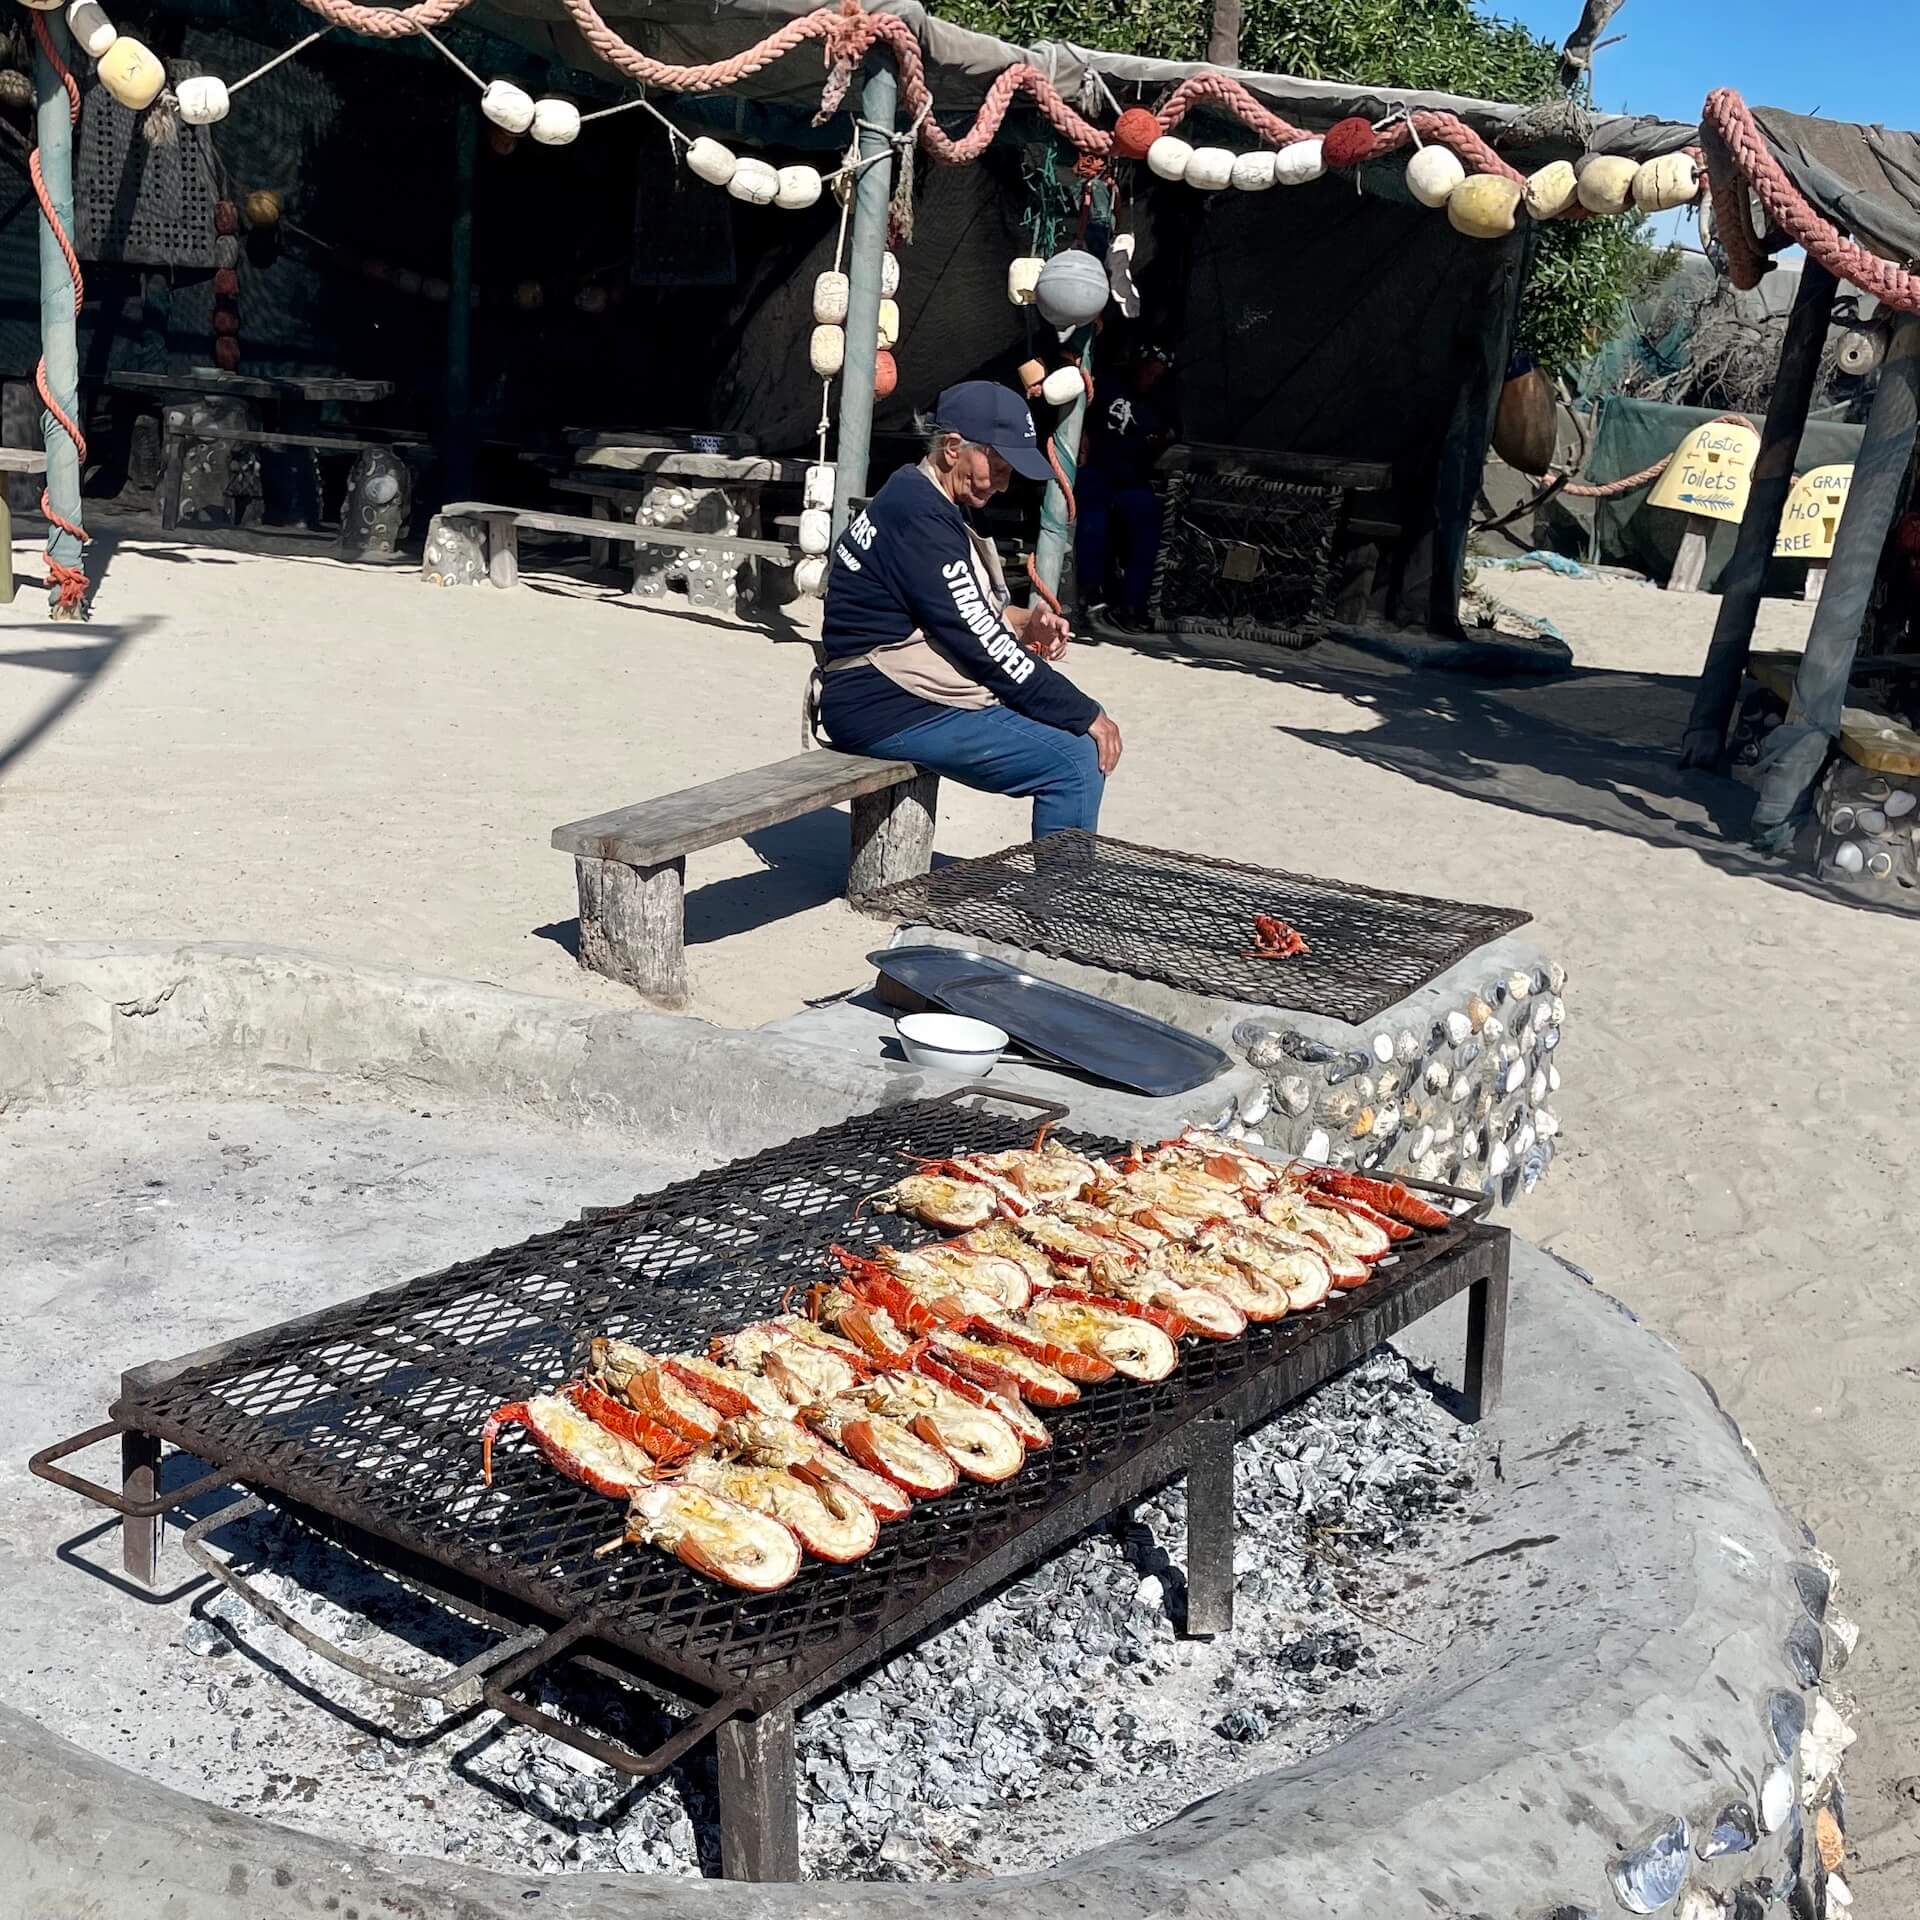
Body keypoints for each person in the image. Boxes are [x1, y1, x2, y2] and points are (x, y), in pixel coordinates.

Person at [816, 379, 1123, 839]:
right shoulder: (921, 516)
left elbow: (956, 611)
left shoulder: (918, 493)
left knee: (1070, 742)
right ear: (954, 448)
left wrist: (1025, 620)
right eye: (997, 465)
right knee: (1075, 762)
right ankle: (1061, 907)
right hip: (879, 703)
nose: (1003, 483)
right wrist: (1082, 710)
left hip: (873, 692)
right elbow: (981, 644)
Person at [1075, 344, 1178, 633]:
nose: (1151, 378)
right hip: (1098, 469)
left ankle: (1131, 604)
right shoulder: (1109, 383)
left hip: (1133, 477)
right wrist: (1082, 434)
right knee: (1092, 524)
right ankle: (1089, 594)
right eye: (1148, 371)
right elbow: (1081, 411)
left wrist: (1162, 438)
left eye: (1157, 375)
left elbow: (1175, 427)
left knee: (1148, 528)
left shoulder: (1162, 397)